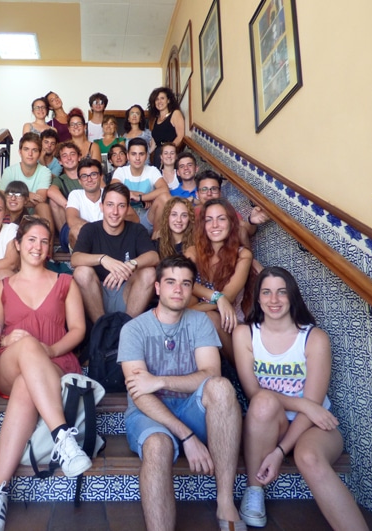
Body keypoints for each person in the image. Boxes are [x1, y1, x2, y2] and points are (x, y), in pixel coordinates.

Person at [0, 217, 91, 531]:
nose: (37, 247)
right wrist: (5, 339)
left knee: (29, 376)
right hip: (7, 365)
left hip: (54, 364)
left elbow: (78, 330)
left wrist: (47, 350)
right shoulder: (1, 287)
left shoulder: (65, 282)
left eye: (43, 241)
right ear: (18, 244)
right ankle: (63, 437)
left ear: (50, 248)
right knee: (25, 348)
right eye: (31, 240)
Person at [233, 267, 368, 530]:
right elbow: (254, 394)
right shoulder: (245, 334)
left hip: (313, 425)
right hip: (271, 423)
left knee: (308, 458)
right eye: (267, 293)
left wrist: (280, 452)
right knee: (262, 403)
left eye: (282, 292)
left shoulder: (314, 338)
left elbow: (314, 407)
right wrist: (302, 403)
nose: (274, 300)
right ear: (257, 299)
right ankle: (254, 490)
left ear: (292, 296)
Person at [118, 255, 245, 531]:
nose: (178, 289)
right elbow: (140, 393)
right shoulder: (133, 329)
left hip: (192, 408)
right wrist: (186, 436)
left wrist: (160, 381)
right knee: (157, 445)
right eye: (171, 282)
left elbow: (211, 374)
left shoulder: (199, 323)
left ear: (190, 290)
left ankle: (225, 501)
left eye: (186, 284)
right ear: (157, 288)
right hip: (148, 414)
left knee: (221, 388)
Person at [71, 182, 159, 322]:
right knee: (81, 272)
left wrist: (131, 264)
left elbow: (154, 257)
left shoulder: (136, 230)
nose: (115, 212)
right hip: (96, 294)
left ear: (127, 208)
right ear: (102, 207)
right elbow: (75, 259)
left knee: (149, 272)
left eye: (121, 206)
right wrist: (103, 259)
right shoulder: (90, 230)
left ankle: (128, 331)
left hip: (127, 293)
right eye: (110, 205)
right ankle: (102, 331)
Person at [184, 198, 253, 364]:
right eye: (209, 220)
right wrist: (218, 297)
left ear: (231, 223)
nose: (215, 225)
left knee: (210, 317)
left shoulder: (243, 255)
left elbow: (228, 296)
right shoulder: (192, 253)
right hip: (195, 317)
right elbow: (186, 284)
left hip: (229, 320)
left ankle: (239, 375)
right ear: (203, 226)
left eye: (221, 219)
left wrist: (197, 307)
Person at [0, 133, 54, 252]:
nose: (30, 154)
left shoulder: (44, 172)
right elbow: (1, 197)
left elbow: (40, 199)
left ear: (39, 153)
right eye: (26, 149)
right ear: (20, 152)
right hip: (12, 212)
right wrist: (27, 196)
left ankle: (48, 254)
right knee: (0, 204)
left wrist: (16, 196)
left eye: (34, 150)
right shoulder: (10, 171)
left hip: (34, 212)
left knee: (43, 206)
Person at [112, 137, 170, 235]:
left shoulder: (152, 170)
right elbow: (113, 190)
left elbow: (164, 190)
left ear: (146, 156)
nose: (137, 158)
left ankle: (157, 241)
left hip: (147, 218)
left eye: (141, 154)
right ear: (128, 156)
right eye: (134, 154)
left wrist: (141, 197)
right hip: (126, 218)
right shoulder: (121, 171)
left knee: (165, 198)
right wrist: (138, 194)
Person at [47, 141, 83, 248]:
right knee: (53, 200)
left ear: (79, 157)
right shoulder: (60, 180)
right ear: (60, 161)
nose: (69, 158)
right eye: (64, 156)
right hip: (71, 224)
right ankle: (68, 241)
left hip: (91, 220)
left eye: (72, 154)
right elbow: (51, 191)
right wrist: (69, 206)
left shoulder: (89, 175)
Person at [148, 87, 185, 168]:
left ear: (168, 100)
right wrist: (146, 154)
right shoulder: (155, 119)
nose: (159, 101)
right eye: (156, 99)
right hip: (158, 155)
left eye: (162, 98)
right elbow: (154, 143)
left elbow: (180, 136)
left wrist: (168, 152)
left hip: (170, 156)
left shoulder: (175, 113)